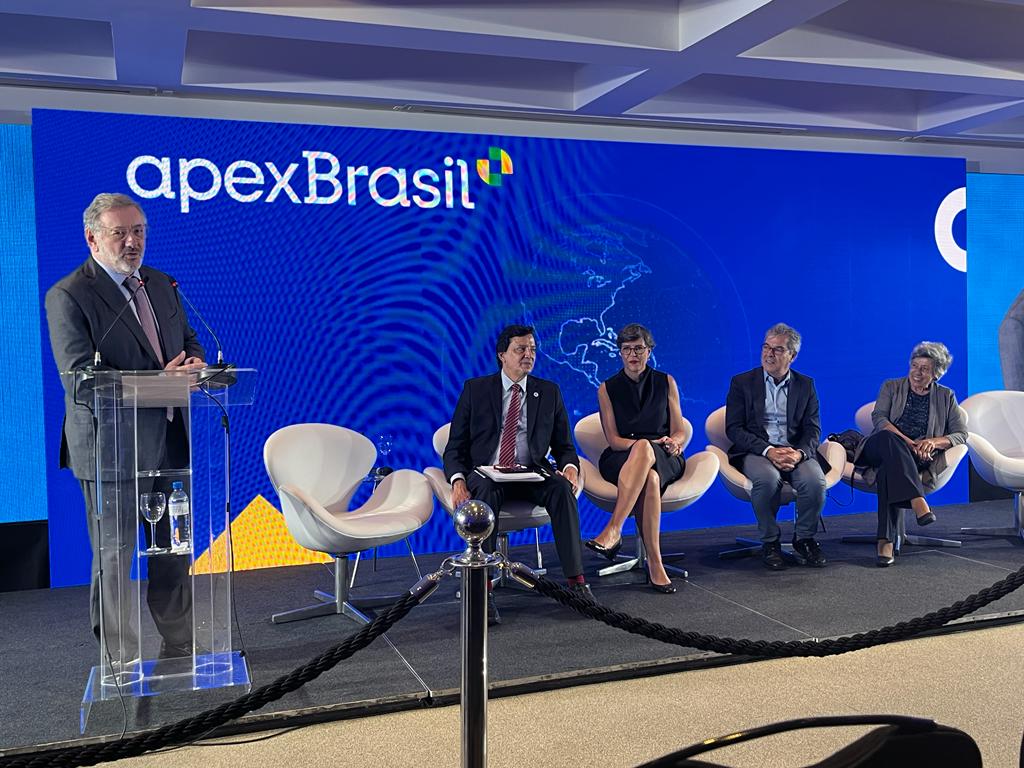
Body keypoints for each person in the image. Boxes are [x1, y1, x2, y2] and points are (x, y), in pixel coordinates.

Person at [45, 193, 206, 659]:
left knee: (173, 550)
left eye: (138, 232)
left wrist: (194, 363)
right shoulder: (68, 295)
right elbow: (81, 380)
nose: (132, 242)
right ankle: (120, 660)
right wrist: (159, 383)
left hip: (171, 440)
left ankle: (180, 644)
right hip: (110, 449)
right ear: (92, 238)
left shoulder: (161, 283)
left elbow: (188, 339)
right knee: (114, 556)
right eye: (120, 233)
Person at [443, 324, 592, 621]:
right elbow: (455, 447)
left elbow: (564, 446)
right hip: (488, 473)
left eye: (532, 349)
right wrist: (458, 481)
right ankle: (482, 588)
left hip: (530, 472)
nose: (528, 355)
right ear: (502, 355)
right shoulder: (475, 389)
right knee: (484, 494)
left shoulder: (548, 392)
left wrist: (570, 468)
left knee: (561, 490)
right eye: (520, 349)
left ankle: (577, 582)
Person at [583, 324, 686, 593]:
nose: (633, 354)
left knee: (650, 465)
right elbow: (614, 440)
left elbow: (679, 429)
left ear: (649, 351)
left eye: (639, 348)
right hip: (622, 455)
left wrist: (675, 442)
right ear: (620, 352)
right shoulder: (607, 389)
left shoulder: (666, 382)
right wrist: (644, 447)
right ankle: (656, 564)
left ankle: (613, 530)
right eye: (627, 349)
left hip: (664, 455)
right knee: (648, 475)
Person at [853, 342, 968, 567]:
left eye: (924, 369)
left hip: (911, 458)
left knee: (888, 471)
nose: (917, 372)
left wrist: (933, 442)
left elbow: (961, 434)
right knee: (889, 439)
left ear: (936, 374)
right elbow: (879, 419)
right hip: (878, 447)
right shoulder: (891, 386)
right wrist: (909, 443)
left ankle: (885, 541)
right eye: (914, 366)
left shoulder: (946, 396)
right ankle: (918, 500)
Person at [725, 323, 829, 570]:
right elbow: (734, 428)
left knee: (815, 482)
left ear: (792, 356)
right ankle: (770, 542)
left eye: (778, 349)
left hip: (794, 451)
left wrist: (800, 453)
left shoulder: (806, 385)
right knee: (768, 480)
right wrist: (768, 451)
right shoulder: (742, 382)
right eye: (766, 347)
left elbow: (813, 429)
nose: (769, 354)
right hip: (757, 451)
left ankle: (804, 539)